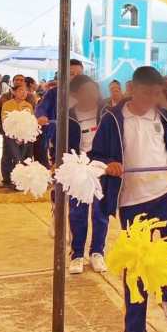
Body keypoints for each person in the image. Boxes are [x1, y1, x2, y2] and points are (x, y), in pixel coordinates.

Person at [90, 66, 167, 332]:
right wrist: (109, 165)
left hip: (166, 190)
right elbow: (96, 156)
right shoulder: (113, 119)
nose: (152, 98)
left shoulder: (164, 117)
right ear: (133, 89)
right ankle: (134, 329)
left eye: (156, 93)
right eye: (147, 93)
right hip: (132, 199)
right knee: (137, 264)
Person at [63, 76, 109, 274]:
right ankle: (77, 254)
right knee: (77, 213)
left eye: (94, 90)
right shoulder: (68, 116)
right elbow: (61, 143)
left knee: (101, 213)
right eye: (87, 91)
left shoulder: (106, 113)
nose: (92, 95)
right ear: (75, 94)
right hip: (78, 168)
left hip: (102, 167)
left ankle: (97, 252)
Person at [0, 83, 35, 189]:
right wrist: (15, 136)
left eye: (25, 90)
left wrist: (23, 136)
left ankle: (21, 181)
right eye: (20, 90)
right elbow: (5, 120)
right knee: (11, 156)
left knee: (23, 157)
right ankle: (8, 179)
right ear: (14, 92)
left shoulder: (28, 105)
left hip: (25, 137)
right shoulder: (7, 104)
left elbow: (31, 121)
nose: (24, 93)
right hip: (10, 136)